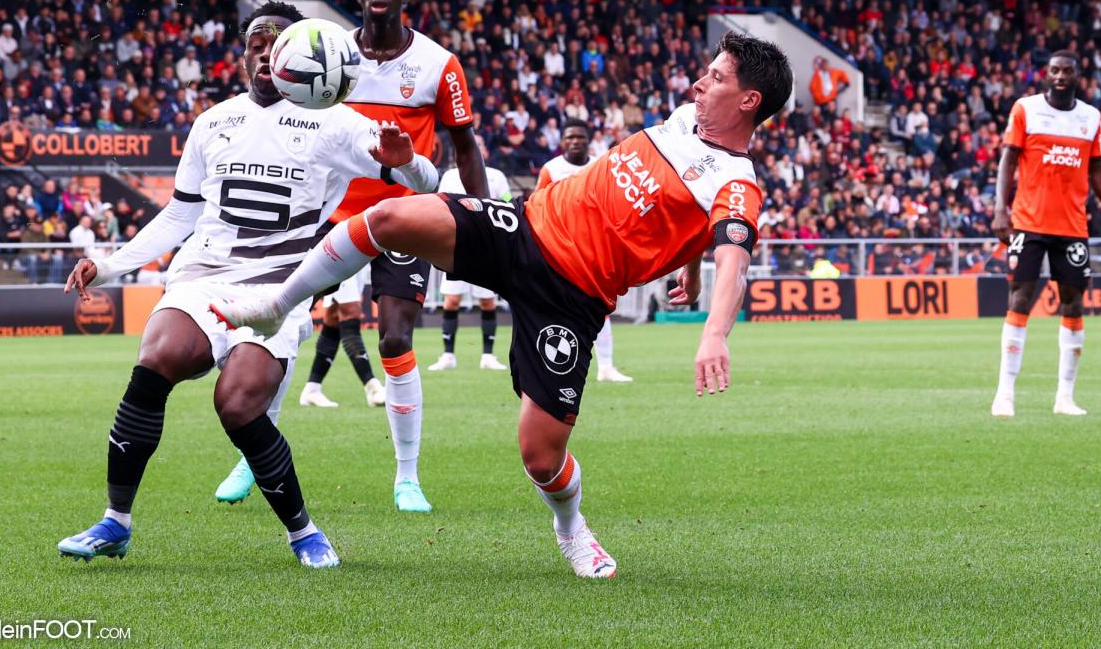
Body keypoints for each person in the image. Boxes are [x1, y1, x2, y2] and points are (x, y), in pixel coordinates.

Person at [212, 31, 790, 578]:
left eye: (714, 78)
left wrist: (714, 332)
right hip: (524, 226)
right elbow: (692, 232)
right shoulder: (686, 120)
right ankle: (278, 304)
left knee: (540, 457)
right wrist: (687, 265)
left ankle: (572, 528)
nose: (697, 84)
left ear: (748, 100)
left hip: (571, 298)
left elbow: (732, 257)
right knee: (388, 218)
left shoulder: (738, 184)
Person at [55, 1, 440, 569]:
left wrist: (407, 164)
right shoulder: (214, 121)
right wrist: (109, 266)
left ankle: (303, 531)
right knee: (158, 356)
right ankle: (115, 522)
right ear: (243, 57)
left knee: (237, 404)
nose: (266, 50)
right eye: (257, 41)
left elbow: (424, 178)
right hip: (202, 274)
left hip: (278, 287)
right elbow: (179, 216)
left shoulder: (335, 120)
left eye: (279, 41)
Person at [216, 0, 489, 514]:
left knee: (394, 338)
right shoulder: (326, 50)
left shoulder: (440, 64)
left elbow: (464, 146)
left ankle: (407, 476)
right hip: (330, 213)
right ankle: (253, 448)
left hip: (405, 218)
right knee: (280, 319)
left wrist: (486, 219)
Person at [990, 51, 1101, 418]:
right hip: (1028, 222)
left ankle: (1064, 398)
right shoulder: (1025, 109)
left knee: (1073, 302)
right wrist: (999, 208)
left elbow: (1096, 172)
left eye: (1067, 70)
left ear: (1077, 74)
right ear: (1047, 75)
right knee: (1019, 298)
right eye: (1054, 70)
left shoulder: (1090, 118)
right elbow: (1007, 158)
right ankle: (1004, 394)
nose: (1060, 76)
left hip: (1071, 227)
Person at [535, 120, 633, 383]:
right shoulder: (551, 169)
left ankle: (606, 367)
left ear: (589, 140)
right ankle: (552, 367)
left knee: (598, 305)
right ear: (562, 141)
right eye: (570, 137)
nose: (575, 141)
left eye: (580, 137)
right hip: (558, 244)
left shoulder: (603, 163)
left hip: (594, 245)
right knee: (554, 307)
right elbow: (538, 205)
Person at [427, 164, 512, 372]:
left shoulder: (496, 175)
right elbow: (441, 203)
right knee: (452, 300)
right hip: (457, 246)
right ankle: (448, 355)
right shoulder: (449, 175)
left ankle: (488, 356)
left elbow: (508, 201)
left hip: (487, 247)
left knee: (487, 301)